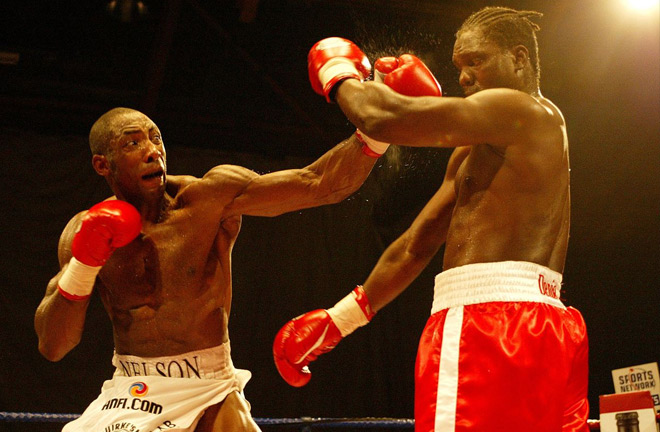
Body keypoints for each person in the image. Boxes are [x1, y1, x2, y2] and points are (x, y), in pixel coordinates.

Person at [273, 6, 589, 432]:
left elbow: (382, 117)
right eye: (459, 65)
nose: (463, 77)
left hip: (488, 324)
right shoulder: (482, 150)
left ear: (519, 58)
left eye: (476, 61)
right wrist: (341, 318)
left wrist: (339, 74)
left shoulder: (522, 111)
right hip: (547, 327)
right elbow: (415, 245)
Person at [34, 105, 386, 431]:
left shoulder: (207, 199)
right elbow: (54, 346)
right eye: (132, 143)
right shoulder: (83, 230)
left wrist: (377, 128)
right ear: (102, 165)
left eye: (155, 137)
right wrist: (84, 264)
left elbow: (319, 183)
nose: (151, 150)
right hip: (133, 387)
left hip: (210, 383)